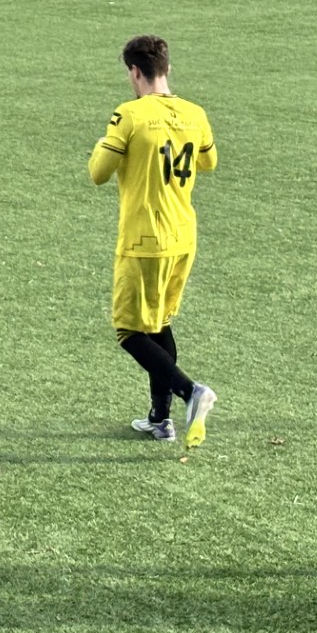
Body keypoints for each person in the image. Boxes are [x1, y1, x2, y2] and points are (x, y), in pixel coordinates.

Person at [88, 34, 219, 447]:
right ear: (167, 68)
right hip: (183, 237)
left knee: (129, 331)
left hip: (144, 238)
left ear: (134, 71)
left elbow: (97, 172)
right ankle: (160, 418)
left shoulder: (128, 115)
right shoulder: (195, 114)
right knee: (159, 323)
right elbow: (209, 161)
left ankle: (190, 392)